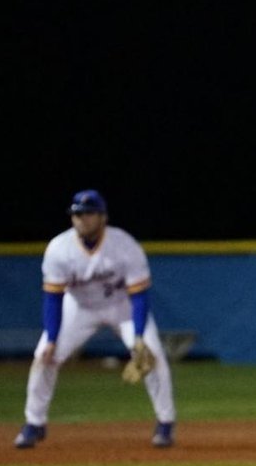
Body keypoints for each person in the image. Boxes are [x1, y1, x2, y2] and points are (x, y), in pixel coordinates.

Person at [13, 189, 177, 449]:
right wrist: (52, 338)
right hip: (79, 308)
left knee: (151, 356)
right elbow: (53, 298)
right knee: (44, 356)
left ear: (103, 217)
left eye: (89, 214)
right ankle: (34, 423)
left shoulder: (124, 245)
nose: (82, 219)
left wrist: (138, 337)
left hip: (122, 306)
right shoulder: (59, 249)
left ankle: (165, 423)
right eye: (77, 214)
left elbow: (139, 296)